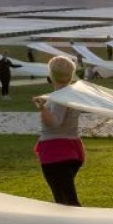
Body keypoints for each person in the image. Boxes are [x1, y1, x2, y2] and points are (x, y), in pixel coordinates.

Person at [32, 56, 85, 206]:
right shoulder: (71, 95)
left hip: (56, 151)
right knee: (65, 198)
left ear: (51, 75)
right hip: (72, 149)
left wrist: (42, 108)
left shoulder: (59, 98)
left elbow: (55, 123)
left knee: (65, 200)